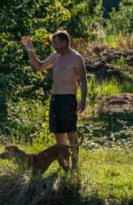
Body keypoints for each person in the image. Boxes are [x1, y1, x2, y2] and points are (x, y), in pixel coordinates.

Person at [21, 30, 87, 171]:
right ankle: (64, 165)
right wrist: (30, 49)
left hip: (68, 99)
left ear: (65, 42)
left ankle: (75, 166)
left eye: (56, 43)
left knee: (71, 132)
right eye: (53, 43)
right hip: (55, 99)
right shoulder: (55, 57)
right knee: (58, 133)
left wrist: (83, 99)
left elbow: (83, 79)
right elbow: (39, 66)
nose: (54, 46)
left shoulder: (76, 57)